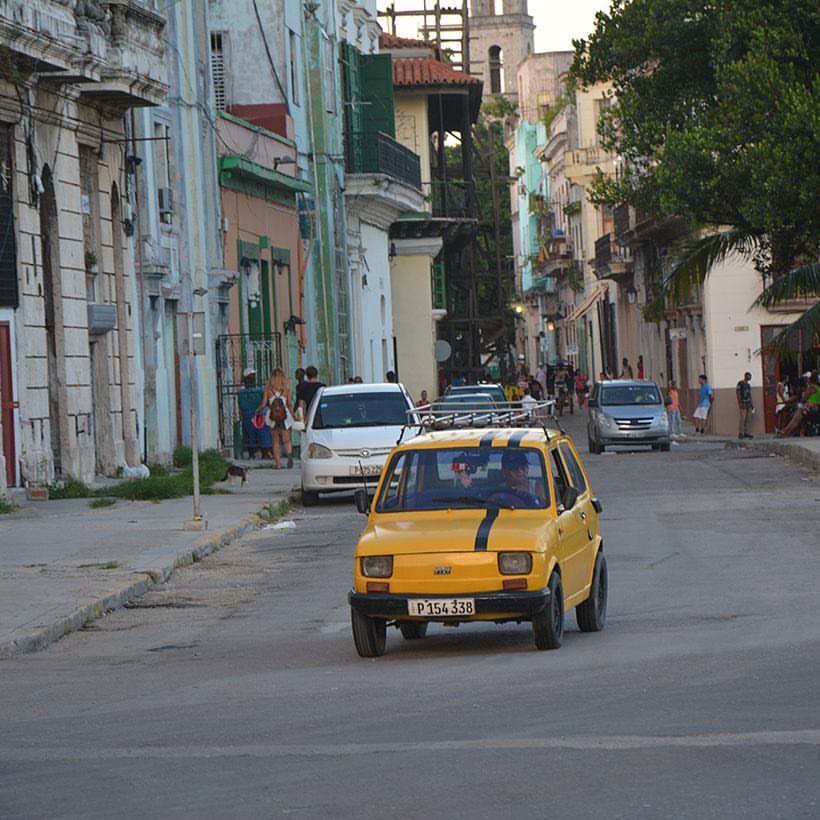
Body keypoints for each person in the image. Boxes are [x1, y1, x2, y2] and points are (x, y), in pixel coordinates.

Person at [259, 368, 294, 468]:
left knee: (275, 441)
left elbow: (263, 404)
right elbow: (289, 404)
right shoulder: (286, 390)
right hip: (285, 416)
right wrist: (293, 416)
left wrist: (257, 411)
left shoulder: (268, 391)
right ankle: (289, 455)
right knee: (286, 440)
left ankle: (278, 464)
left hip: (272, 417)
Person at [236, 368, 271, 459]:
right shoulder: (259, 391)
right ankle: (265, 453)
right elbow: (265, 402)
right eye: (252, 376)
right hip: (259, 414)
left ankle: (252, 454)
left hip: (248, 415)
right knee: (262, 434)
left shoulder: (241, 392)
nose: (253, 378)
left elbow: (241, 405)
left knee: (250, 434)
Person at [779, 372, 820, 437]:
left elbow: (803, 399)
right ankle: (786, 431)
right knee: (798, 416)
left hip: (811, 408)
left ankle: (785, 431)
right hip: (814, 408)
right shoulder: (817, 388)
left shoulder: (811, 388)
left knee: (797, 416)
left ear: (810, 380)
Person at [736, 371, 754, 439]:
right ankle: (741, 433)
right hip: (743, 403)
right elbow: (738, 393)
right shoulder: (740, 383)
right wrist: (740, 403)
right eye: (748, 376)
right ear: (745, 376)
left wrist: (752, 405)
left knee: (747, 419)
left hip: (748, 403)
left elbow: (749, 394)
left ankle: (746, 432)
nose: (749, 377)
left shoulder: (748, 385)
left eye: (750, 376)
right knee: (742, 418)